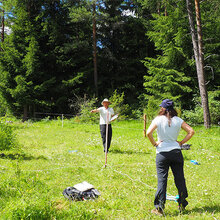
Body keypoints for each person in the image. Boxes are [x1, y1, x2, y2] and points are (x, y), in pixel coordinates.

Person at [147, 99, 194, 216]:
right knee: (180, 179)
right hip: (176, 152)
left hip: (162, 153)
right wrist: (181, 142)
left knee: (162, 180)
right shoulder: (178, 120)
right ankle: (182, 204)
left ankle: (159, 208)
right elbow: (191, 131)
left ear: (163, 108)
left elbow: (148, 133)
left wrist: (154, 143)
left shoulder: (158, 119)